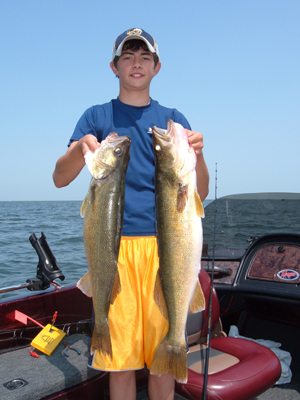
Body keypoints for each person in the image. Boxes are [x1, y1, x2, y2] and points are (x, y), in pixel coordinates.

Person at [53, 28, 209, 400]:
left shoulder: (173, 118)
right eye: (127, 57)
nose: (135, 64)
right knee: (119, 363)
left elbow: (199, 191)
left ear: (157, 67)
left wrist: (198, 156)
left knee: (161, 362)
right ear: (114, 66)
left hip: (167, 251)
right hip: (113, 252)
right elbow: (60, 178)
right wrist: (80, 149)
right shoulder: (96, 115)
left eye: (144, 57)